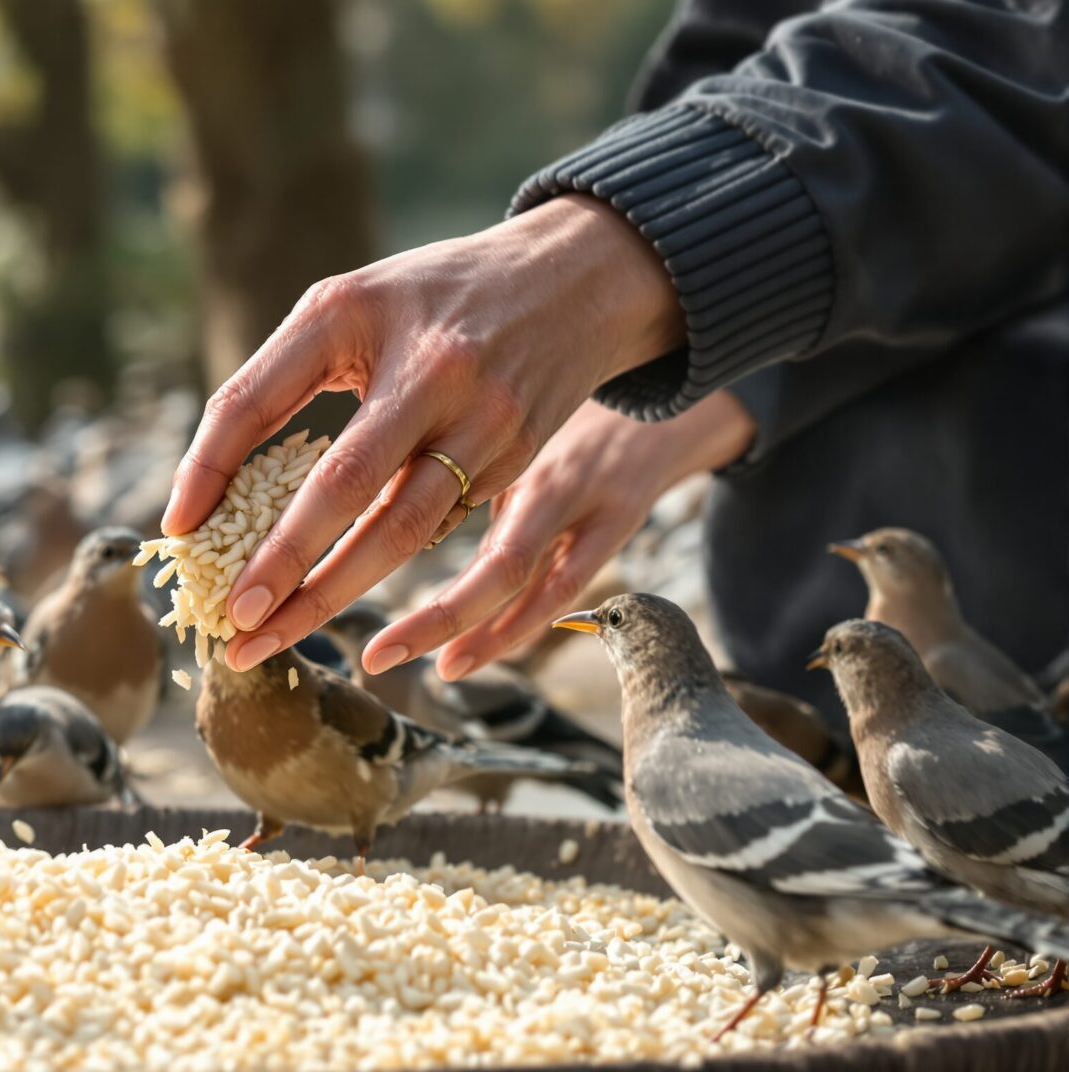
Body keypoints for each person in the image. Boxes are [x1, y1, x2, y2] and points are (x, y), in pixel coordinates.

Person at [163, 0, 1068, 717]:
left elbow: (1026, 55)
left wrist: (611, 263)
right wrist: (694, 354)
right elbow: (740, 56)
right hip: (801, 682)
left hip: (1014, 642)